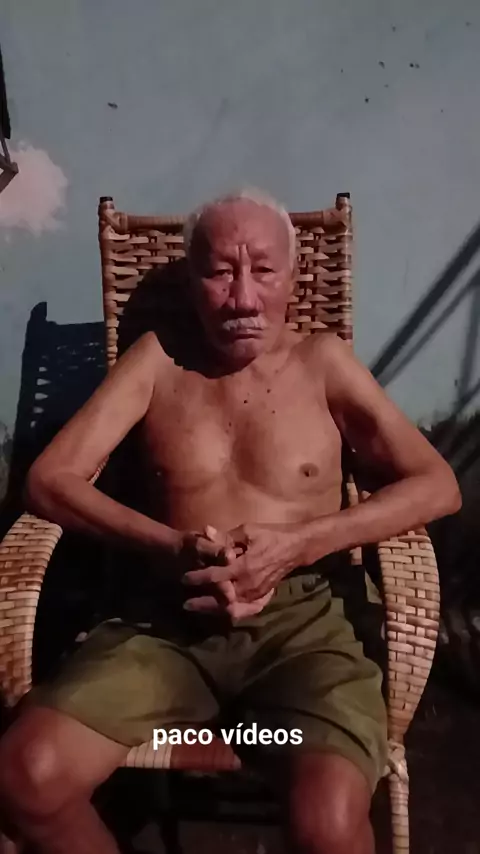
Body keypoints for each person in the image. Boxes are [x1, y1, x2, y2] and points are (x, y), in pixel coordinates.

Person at [0, 188, 461, 854]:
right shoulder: (156, 361)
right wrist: (168, 546)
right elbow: (49, 480)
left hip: (303, 627)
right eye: (219, 272)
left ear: (293, 279)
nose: (242, 298)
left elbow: (437, 484)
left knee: (330, 826)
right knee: (26, 776)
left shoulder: (323, 363)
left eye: (263, 271)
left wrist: (299, 545)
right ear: (192, 283)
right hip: (167, 624)